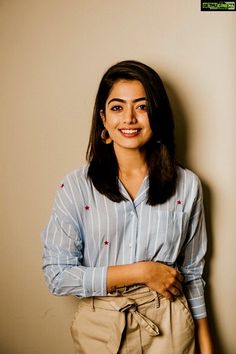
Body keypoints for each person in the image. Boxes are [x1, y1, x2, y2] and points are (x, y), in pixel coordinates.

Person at [41, 60, 213, 353]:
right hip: (100, 328)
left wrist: (207, 347)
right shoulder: (75, 187)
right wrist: (142, 272)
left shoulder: (187, 185)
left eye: (142, 107)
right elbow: (57, 275)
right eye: (117, 107)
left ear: (157, 115)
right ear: (103, 119)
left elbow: (193, 274)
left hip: (170, 324)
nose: (129, 118)